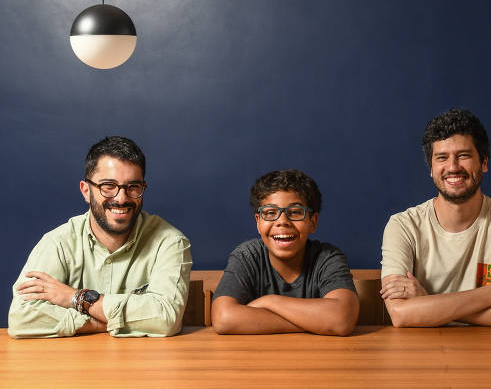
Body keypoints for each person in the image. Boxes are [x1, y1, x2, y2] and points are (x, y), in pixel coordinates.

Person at [8, 136, 192, 338]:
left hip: (144, 365)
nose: (121, 198)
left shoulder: (170, 242)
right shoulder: (58, 243)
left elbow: (166, 319)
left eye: (133, 187)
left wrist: (77, 297)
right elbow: (21, 318)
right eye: (108, 186)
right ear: (86, 191)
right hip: (76, 365)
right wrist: (103, 322)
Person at [380, 108, 491, 327]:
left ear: (484, 163)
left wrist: (427, 303)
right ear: (431, 168)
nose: (453, 167)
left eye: (463, 155)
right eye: (442, 158)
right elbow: (400, 314)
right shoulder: (403, 226)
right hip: (423, 354)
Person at [211, 169, 359, 335]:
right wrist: (315, 323)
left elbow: (341, 319)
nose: (282, 221)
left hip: (317, 357)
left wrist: (269, 301)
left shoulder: (327, 258)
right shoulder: (247, 256)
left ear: (313, 221)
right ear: (258, 222)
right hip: (256, 358)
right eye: (270, 213)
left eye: (295, 212)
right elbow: (223, 318)